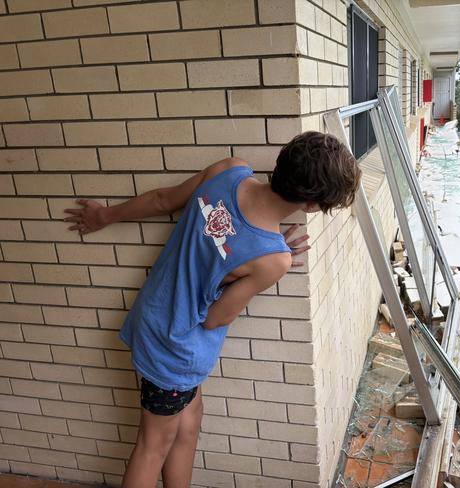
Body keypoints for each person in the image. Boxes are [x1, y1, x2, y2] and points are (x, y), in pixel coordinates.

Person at [64, 131, 361, 488]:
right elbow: (216, 317)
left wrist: (105, 216)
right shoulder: (273, 258)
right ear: (313, 205)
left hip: (154, 319)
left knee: (188, 424)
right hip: (178, 347)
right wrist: (267, 265)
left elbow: (161, 200)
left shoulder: (229, 170)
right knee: (152, 446)